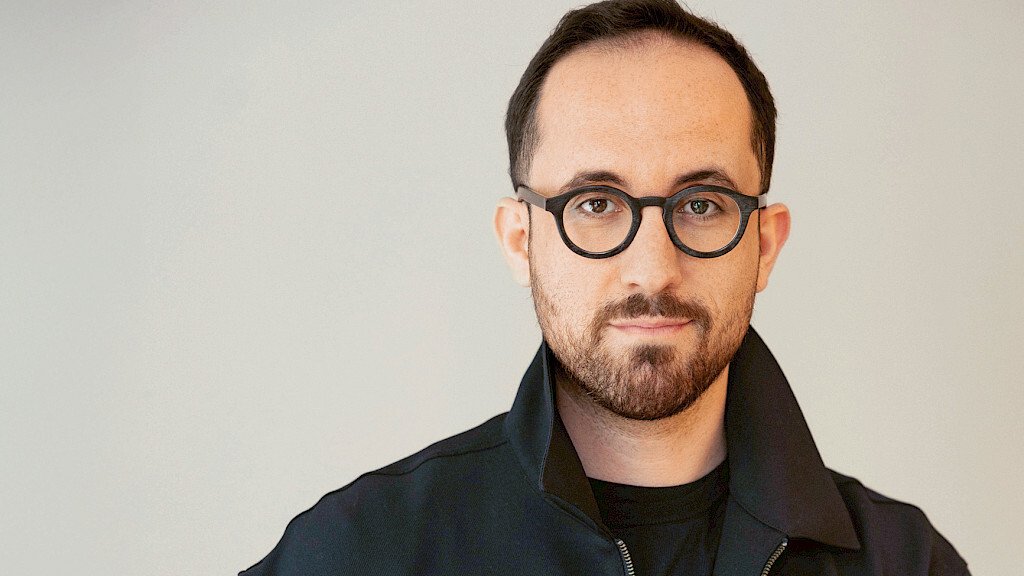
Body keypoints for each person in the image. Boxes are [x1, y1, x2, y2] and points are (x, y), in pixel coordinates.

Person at [240, 1, 969, 574]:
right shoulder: (364, 552)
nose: (653, 269)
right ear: (521, 241)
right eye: (595, 204)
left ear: (765, 245)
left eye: (702, 203)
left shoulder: (903, 561)